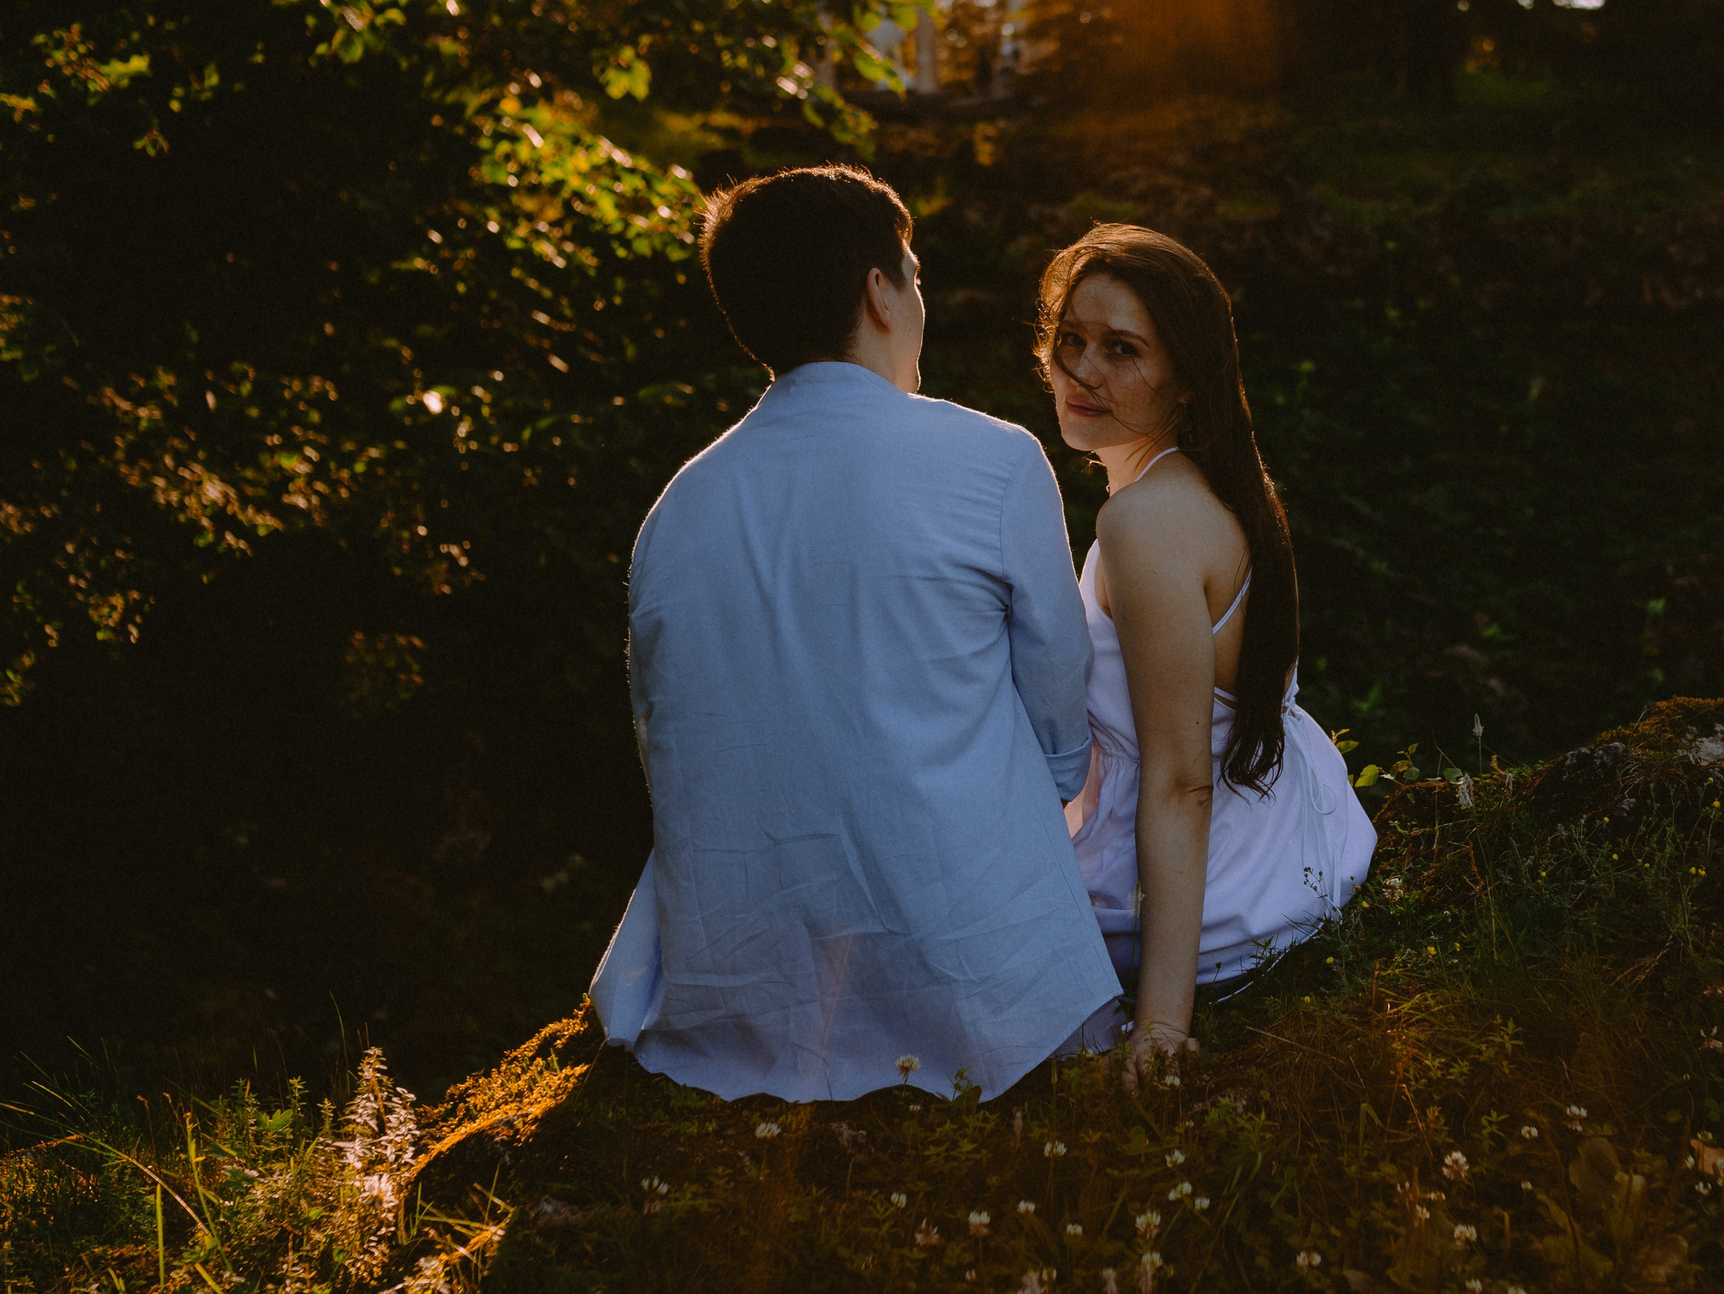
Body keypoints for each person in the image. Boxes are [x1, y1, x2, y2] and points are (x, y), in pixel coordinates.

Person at [590, 165, 1120, 1102]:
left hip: (746, 1005)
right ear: (880, 292)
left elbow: (663, 745)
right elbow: (1058, 727)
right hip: (984, 993)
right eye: (911, 275)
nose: (919, 299)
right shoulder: (993, 461)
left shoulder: (674, 512)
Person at [1041, 225, 1376, 1073]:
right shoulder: (1215, 479)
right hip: (1297, 843)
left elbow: (1183, 779)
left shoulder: (1144, 522)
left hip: (1224, 898)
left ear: (1186, 380)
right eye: (1069, 339)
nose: (1081, 370)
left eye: (1122, 350)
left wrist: (1158, 1024)